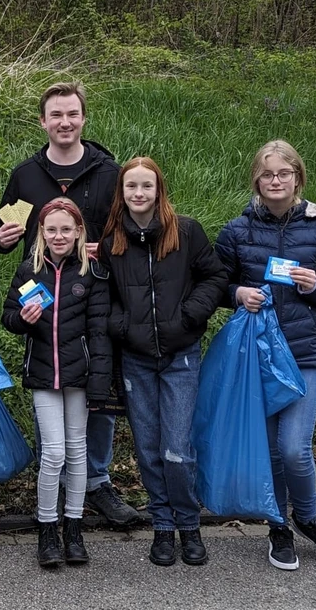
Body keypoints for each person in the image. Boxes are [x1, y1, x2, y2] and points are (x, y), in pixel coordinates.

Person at [0, 81, 139, 528]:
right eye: (56, 115)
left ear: (83, 118)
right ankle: (51, 476)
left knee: (99, 385)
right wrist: (1, 236)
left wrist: (104, 248)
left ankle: (97, 480)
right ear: (43, 121)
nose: (65, 122)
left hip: (98, 296)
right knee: (50, 383)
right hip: (46, 303)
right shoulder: (26, 175)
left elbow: (127, 232)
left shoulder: (108, 172)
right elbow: (1, 235)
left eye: (72, 114)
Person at [214, 140, 316, 571]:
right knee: (272, 451)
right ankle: (278, 527)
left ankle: (309, 520)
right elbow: (212, 286)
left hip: (304, 352)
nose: (275, 181)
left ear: (298, 178)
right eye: (267, 174)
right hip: (257, 353)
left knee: (294, 448)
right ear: (256, 180)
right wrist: (237, 293)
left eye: (284, 174)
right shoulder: (236, 232)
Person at [99, 157, 228, 567]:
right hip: (136, 359)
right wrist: (123, 328)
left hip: (180, 356)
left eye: (147, 186)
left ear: (159, 190)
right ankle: (163, 527)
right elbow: (107, 298)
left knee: (177, 449)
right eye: (131, 187)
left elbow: (215, 277)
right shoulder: (112, 241)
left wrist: (189, 317)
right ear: (121, 192)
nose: (139, 194)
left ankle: (189, 524)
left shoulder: (185, 231)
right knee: (149, 449)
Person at [1, 197, 112, 568]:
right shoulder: (27, 271)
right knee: (53, 453)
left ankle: (74, 526)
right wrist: (25, 319)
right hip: (44, 374)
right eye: (52, 229)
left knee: (78, 450)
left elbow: (100, 332)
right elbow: (9, 317)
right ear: (42, 233)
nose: (59, 235)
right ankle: (47, 528)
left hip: (79, 376)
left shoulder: (91, 273)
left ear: (79, 231)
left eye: (66, 229)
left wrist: (99, 380)